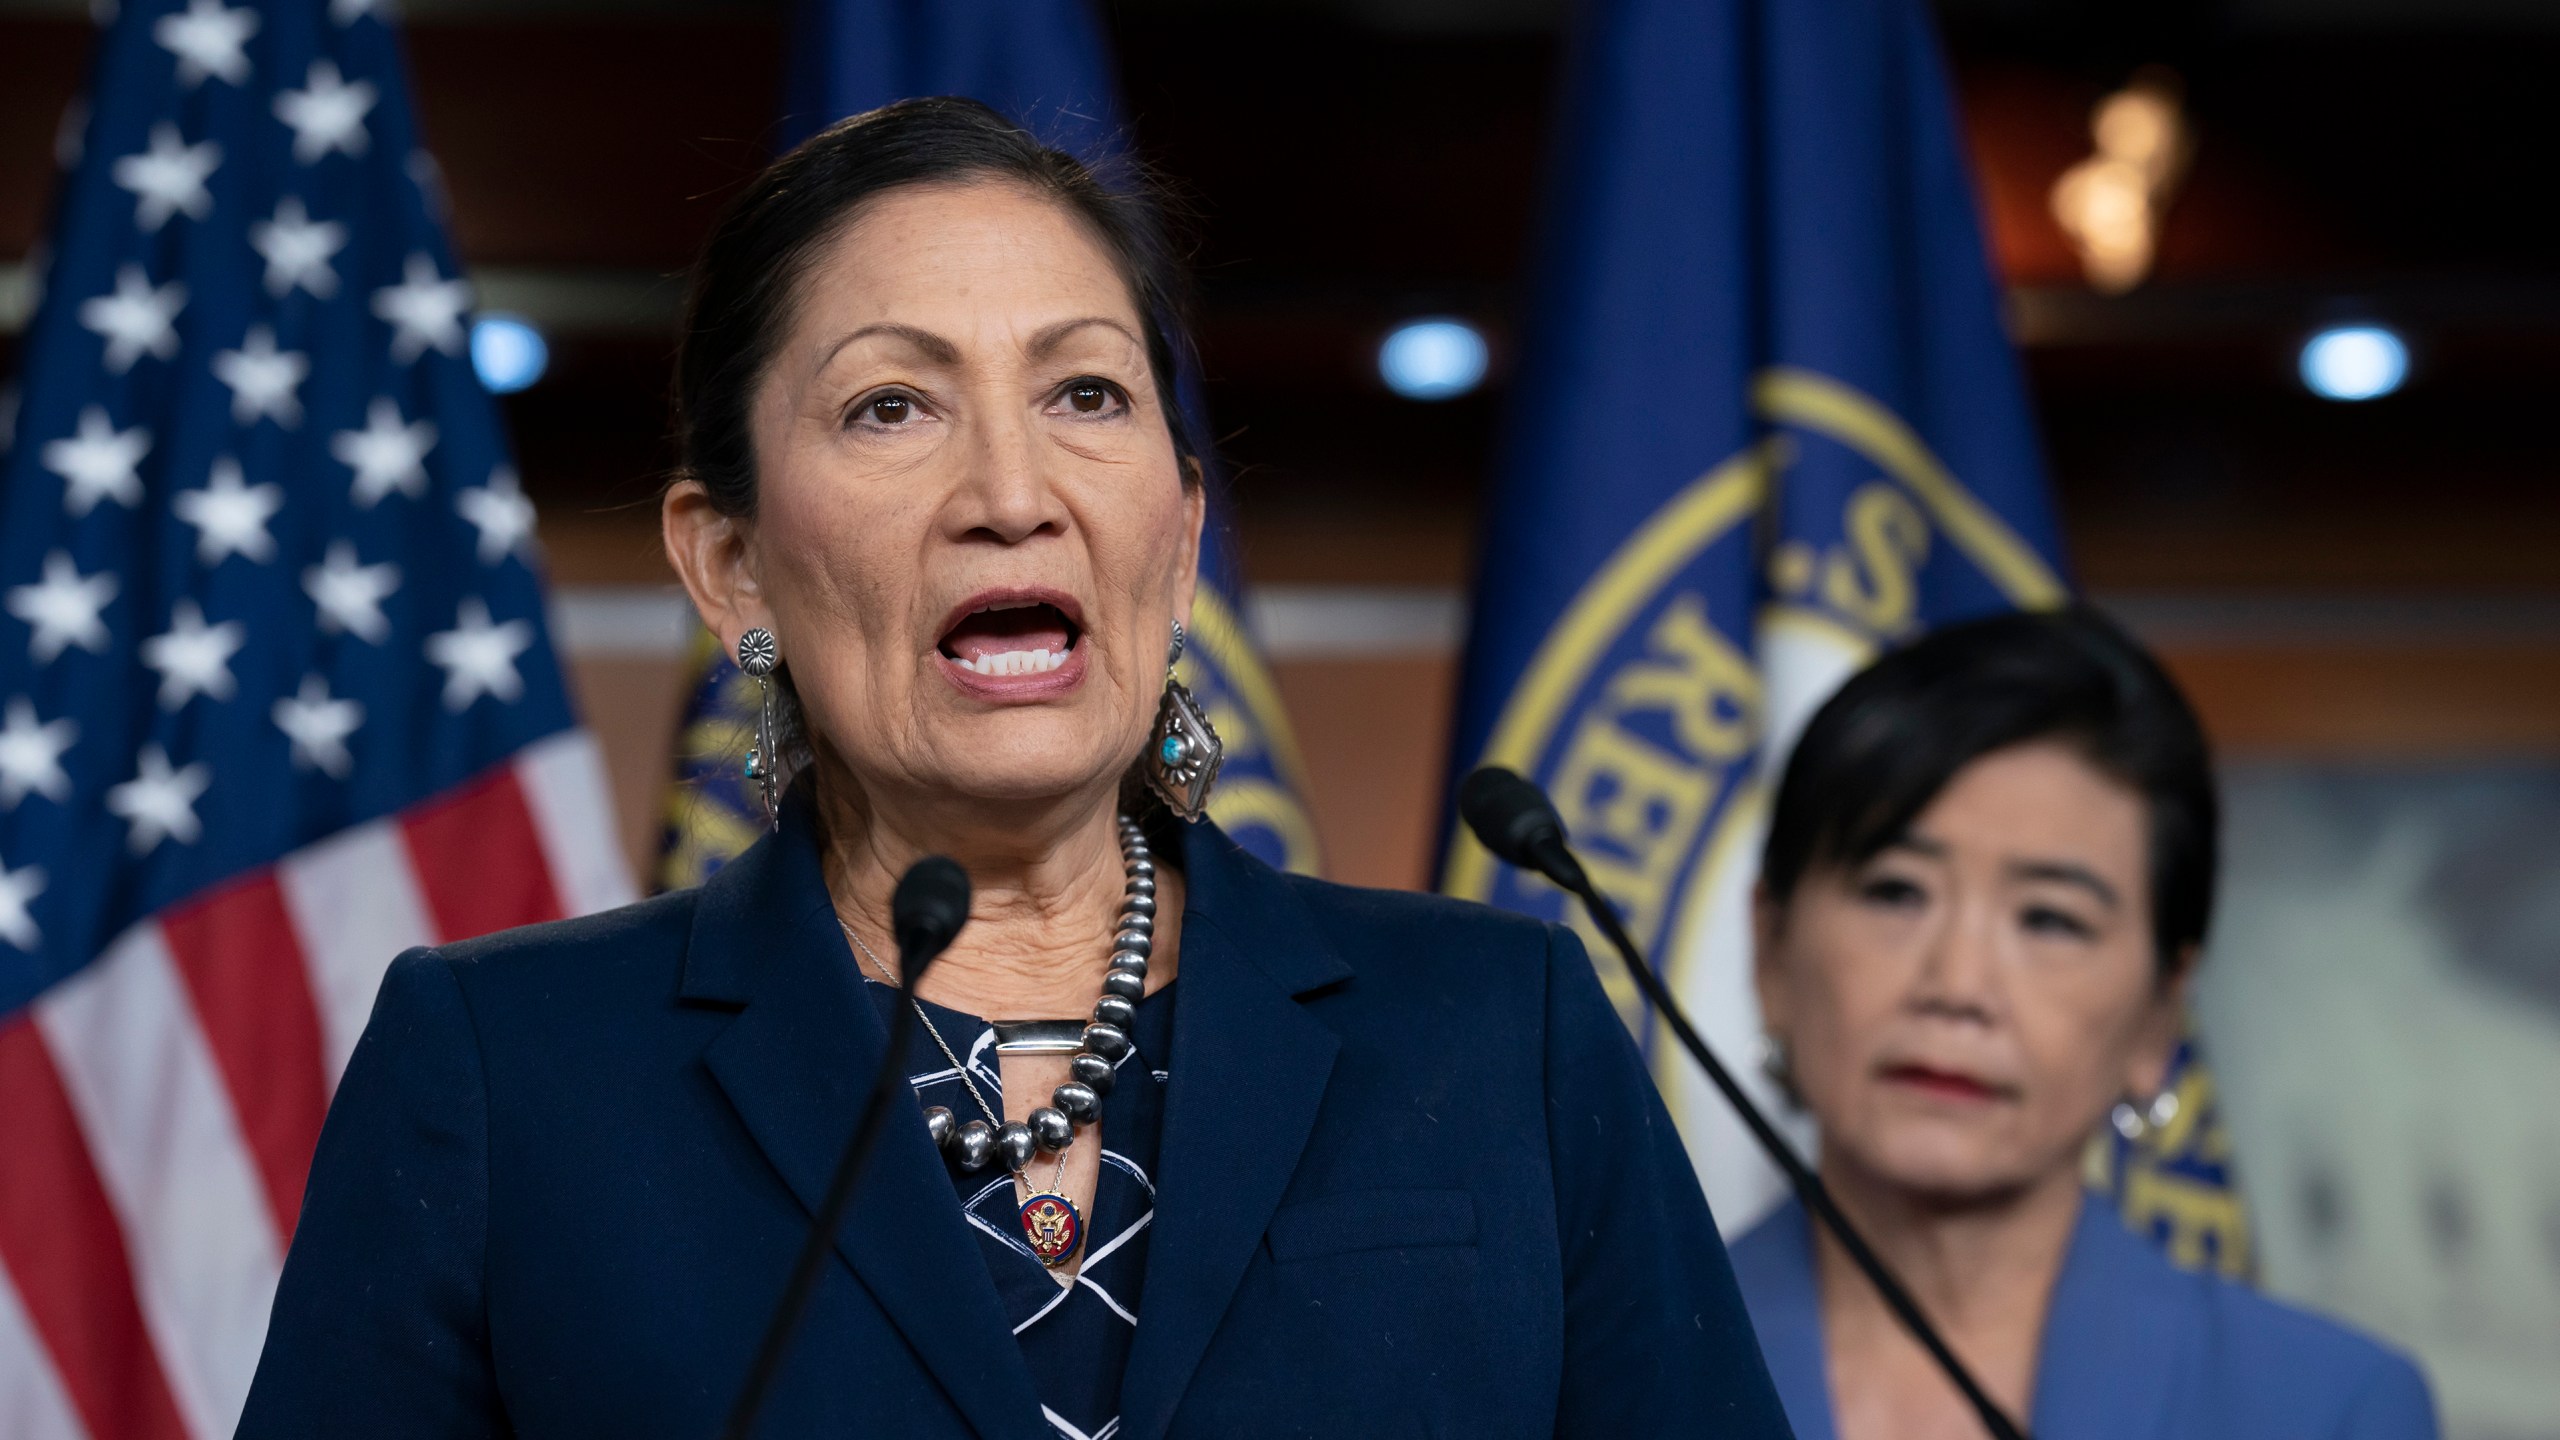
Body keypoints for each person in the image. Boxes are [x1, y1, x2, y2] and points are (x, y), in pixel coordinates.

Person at [236, 98, 1789, 1440]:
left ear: (1179, 538)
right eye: (891, 405)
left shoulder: (1497, 1035)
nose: (1011, 491)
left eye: (1085, 393)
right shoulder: (509, 1073)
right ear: (731, 564)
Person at [1729, 606, 2437, 1440]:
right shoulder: (1590, 1378)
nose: (1958, 986)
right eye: (1897, 892)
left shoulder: (2325, 1409)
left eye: (2049, 920)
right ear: (1772, 953)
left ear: (2158, 1016)